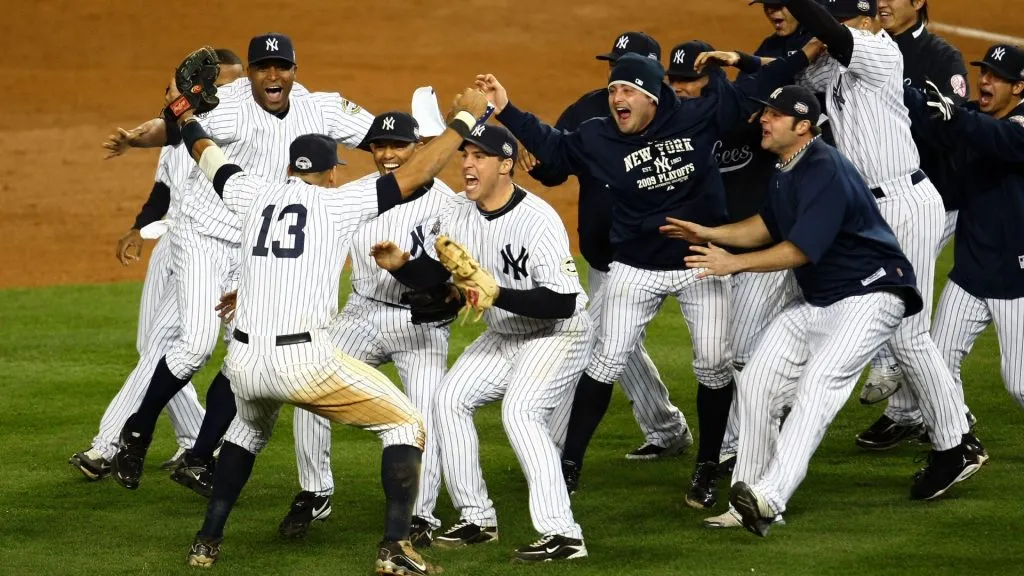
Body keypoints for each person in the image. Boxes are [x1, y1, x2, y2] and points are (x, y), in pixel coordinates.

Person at [160, 53, 491, 572]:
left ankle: (207, 542)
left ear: (291, 167)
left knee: (247, 431)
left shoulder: (250, 191)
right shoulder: (339, 204)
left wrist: (183, 114)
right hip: (305, 364)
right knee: (406, 424)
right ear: (332, 174)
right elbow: (417, 172)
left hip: (244, 362)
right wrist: (465, 121)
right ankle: (395, 549)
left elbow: (206, 155)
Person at [480, 44, 816, 509]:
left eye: (626, 89)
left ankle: (706, 466)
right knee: (603, 361)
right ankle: (569, 463)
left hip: (700, 260)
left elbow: (766, 82)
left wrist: (810, 48)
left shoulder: (699, 115)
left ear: (650, 96)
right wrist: (507, 110)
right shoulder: (598, 135)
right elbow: (553, 145)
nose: (616, 96)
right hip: (635, 265)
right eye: (612, 88)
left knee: (713, 366)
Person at [660, 85, 984, 536]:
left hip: (870, 297)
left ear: (803, 126)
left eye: (774, 114)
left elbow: (799, 250)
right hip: (818, 300)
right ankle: (746, 496)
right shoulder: (785, 167)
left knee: (817, 388)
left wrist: (732, 263)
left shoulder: (824, 167)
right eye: (764, 111)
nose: (763, 120)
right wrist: (710, 233)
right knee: (755, 383)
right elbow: (766, 226)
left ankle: (770, 499)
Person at [101, 33, 375, 493]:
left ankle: (197, 456)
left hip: (253, 245)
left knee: (249, 355)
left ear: (294, 70)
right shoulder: (227, 104)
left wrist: (444, 135)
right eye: (263, 67)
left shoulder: (320, 107)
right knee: (196, 344)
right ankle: (136, 433)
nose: (273, 75)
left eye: (281, 67)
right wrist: (135, 137)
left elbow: (382, 137)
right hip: (203, 234)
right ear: (249, 72)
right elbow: (171, 128)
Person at [372, 124, 592, 562]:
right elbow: (440, 282)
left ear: (505, 165)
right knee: (448, 399)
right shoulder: (456, 211)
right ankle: (477, 517)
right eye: (465, 155)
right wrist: (402, 267)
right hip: (505, 333)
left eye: (480, 156)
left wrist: (499, 294)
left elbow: (565, 302)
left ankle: (564, 535)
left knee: (522, 411)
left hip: (558, 334)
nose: (467, 164)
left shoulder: (538, 219)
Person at [782, 0, 984, 463]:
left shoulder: (879, 51)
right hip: (872, 213)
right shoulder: (833, 68)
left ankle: (956, 441)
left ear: (869, 23)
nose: (840, 30)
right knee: (900, 335)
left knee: (909, 336)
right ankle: (954, 435)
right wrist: (745, 64)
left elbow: (829, 33)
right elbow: (787, 80)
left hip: (906, 203)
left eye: (847, 20)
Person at [280, 112, 457, 543]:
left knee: (424, 411)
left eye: (398, 145)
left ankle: (421, 515)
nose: (388, 154)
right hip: (360, 313)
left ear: (419, 148)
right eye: (379, 146)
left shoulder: (449, 205)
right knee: (306, 384)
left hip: (418, 324)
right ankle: (315, 491)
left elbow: (448, 279)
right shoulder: (357, 196)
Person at [68, 49, 245, 481]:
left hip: (224, 252)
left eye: (238, 83)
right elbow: (163, 191)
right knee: (158, 349)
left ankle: (107, 446)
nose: (233, 91)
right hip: (177, 244)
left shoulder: (239, 129)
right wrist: (137, 227)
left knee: (172, 349)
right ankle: (195, 439)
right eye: (224, 83)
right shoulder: (182, 128)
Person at [525, 30, 693, 463]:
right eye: (613, 67)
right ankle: (666, 428)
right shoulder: (586, 111)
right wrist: (539, 164)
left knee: (599, 343)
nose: (616, 79)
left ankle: (555, 447)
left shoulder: (682, 116)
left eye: (630, 67)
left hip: (676, 252)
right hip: (609, 254)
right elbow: (554, 166)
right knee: (617, 344)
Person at [666, 40, 800, 486]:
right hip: (716, 252)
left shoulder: (748, 114)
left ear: (713, 79)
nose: (680, 88)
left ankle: (744, 443)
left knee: (741, 352)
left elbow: (789, 69)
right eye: (675, 80)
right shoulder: (676, 120)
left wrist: (742, 61)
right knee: (723, 356)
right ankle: (745, 436)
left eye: (690, 81)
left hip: (762, 250)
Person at [856, 0, 975, 445]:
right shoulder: (866, 48)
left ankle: (948, 419)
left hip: (937, 198)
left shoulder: (941, 59)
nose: (882, 2)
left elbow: (948, 128)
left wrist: (900, 98)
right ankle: (906, 412)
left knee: (897, 290)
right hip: (883, 197)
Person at [906, 45, 1024, 421]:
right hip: (971, 271)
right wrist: (904, 91)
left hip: (1015, 276)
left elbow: (999, 139)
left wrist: (956, 117)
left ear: (1019, 88)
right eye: (983, 72)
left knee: (1020, 382)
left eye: (996, 76)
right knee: (937, 366)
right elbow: (941, 121)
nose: (984, 80)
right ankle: (960, 435)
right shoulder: (974, 115)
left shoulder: (1015, 126)